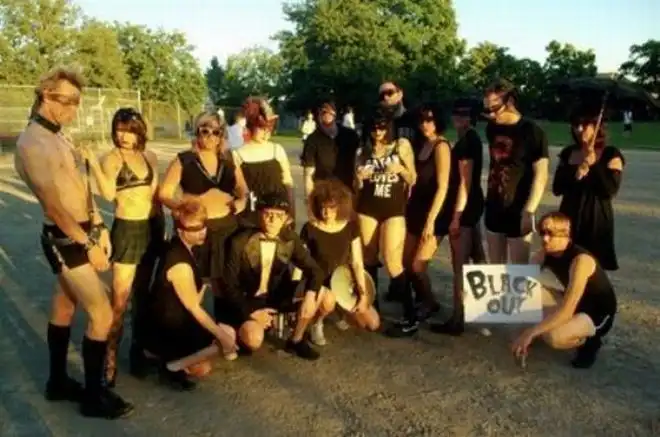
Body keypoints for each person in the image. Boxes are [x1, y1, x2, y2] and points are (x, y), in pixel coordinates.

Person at [13, 66, 133, 418]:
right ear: (45, 96)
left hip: (82, 229)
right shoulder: (32, 143)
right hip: (64, 237)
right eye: (67, 101)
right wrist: (87, 245)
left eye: (77, 102)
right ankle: (93, 397)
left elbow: (80, 186)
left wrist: (99, 224)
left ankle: (57, 382)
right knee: (102, 312)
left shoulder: (59, 137)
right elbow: (53, 206)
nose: (73, 109)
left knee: (64, 305)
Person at [81, 108, 165, 386]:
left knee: (144, 295)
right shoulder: (112, 159)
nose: (123, 136)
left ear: (139, 131)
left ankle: (138, 352)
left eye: (129, 130)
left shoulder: (149, 156)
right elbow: (107, 193)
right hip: (127, 230)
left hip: (152, 227)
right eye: (119, 130)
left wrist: (163, 226)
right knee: (120, 299)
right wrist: (93, 163)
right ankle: (110, 357)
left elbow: (156, 196)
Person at [216, 191, 335, 360]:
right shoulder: (239, 241)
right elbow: (228, 284)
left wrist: (310, 295)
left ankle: (296, 340)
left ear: (285, 218)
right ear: (260, 215)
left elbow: (315, 270)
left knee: (322, 293)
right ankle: (240, 332)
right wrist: (251, 312)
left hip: (277, 296)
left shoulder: (290, 239)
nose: (273, 220)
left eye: (279, 216)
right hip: (248, 299)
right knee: (253, 339)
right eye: (268, 214)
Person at [159, 112, 249, 319]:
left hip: (227, 227)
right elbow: (164, 194)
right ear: (197, 132)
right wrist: (184, 207)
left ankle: (225, 327)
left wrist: (242, 201)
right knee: (195, 282)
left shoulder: (228, 159)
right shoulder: (184, 160)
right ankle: (192, 327)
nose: (210, 136)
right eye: (204, 131)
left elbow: (242, 189)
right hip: (198, 229)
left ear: (221, 135)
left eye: (216, 132)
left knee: (225, 283)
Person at [141, 202, 238, 391]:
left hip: (176, 320)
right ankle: (171, 366)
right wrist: (222, 337)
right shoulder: (179, 261)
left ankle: (176, 360)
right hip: (168, 327)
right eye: (193, 229)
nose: (201, 232)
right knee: (223, 341)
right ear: (180, 230)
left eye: (203, 225)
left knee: (224, 339)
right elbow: (193, 307)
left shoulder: (184, 248)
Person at [511, 211, 617, 369]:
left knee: (553, 336)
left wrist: (531, 332)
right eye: (542, 232)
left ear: (566, 234)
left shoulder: (580, 260)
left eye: (551, 233)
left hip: (596, 314)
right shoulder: (547, 252)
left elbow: (567, 310)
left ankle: (590, 342)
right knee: (528, 291)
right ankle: (544, 328)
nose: (545, 238)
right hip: (573, 301)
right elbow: (522, 279)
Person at [430, 98, 487, 336]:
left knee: (460, 265)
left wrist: (456, 216)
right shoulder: (470, 139)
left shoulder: (467, 142)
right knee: (476, 259)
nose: (459, 119)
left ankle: (458, 317)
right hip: (472, 205)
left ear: (471, 118)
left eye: (463, 115)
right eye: (457, 115)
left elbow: (465, 182)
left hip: (465, 208)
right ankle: (477, 311)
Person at [300, 179, 380, 345]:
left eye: (331, 207)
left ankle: (340, 311)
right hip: (319, 280)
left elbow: (357, 263)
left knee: (372, 323)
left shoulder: (350, 228)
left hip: (343, 280)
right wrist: (297, 286)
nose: (326, 212)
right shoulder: (309, 228)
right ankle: (317, 323)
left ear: (339, 207)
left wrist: (363, 294)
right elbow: (300, 260)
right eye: (322, 207)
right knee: (328, 301)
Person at [354, 109, 416, 313]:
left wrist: (401, 169)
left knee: (392, 260)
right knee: (368, 257)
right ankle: (373, 307)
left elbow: (413, 178)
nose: (378, 132)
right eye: (373, 128)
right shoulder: (363, 150)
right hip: (368, 208)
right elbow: (356, 185)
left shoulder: (401, 145)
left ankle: (409, 313)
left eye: (382, 127)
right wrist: (359, 177)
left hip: (393, 209)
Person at [482, 79, 549, 264]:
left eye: (494, 108)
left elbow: (541, 174)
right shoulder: (492, 128)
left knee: (518, 271)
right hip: (494, 205)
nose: (489, 114)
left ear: (510, 101)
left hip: (518, 208)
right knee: (495, 269)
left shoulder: (532, 131)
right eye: (486, 109)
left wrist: (529, 209)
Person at [551, 105, 625, 271]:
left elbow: (610, 190)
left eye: (584, 125)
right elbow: (557, 188)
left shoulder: (611, 154)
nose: (579, 129)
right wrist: (576, 172)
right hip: (569, 215)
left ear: (596, 126)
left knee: (590, 269)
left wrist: (594, 166)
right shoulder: (568, 153)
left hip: (595, 219)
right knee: (566, 267)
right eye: (575, 125)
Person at [233, 97, 296, 225]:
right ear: (251, 127)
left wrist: (292, 211)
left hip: (277, 212)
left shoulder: (277, 149)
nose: (266, 133)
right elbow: (239, 188)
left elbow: (288, 183)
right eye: (262, 129)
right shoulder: (238, 153)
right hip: (252, 213)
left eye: (269, 129)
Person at [301, 101, 361, 198]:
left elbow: (358, 163)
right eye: (323, 112)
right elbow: (308, 174)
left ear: (335, 114)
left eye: (330, 111)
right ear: (318, 116)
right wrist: (309, 200)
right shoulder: (312, 140)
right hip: (323, 193)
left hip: (346, 192)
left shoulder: (350, 136)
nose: (327, 114)